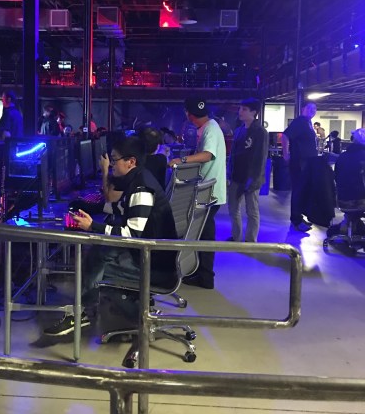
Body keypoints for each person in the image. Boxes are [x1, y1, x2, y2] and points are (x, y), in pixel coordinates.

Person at [43, 135, 177, 336]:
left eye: (114, 160)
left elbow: (131, 234)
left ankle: (83, 314)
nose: (111, 164)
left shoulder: (141, 188)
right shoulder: (139, 178)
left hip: (154, 266)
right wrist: (90, 206)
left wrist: (92, 226)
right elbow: (122, 208)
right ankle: (85, 310)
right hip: (153, 254)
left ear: (130, 161)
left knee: (97, 261)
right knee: (100, 252)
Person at [169, 97, 227, 289]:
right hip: (208, 190)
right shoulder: (209, 127)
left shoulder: (210, 129)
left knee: (205, 234)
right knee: (203, 232)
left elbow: (207, 154)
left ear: (188, 114)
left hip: (210, 191)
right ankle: (201, 273)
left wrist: (181, 160)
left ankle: (206, 277)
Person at [227, 98, 269, 242]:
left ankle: (251, 241)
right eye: (240, 109)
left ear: (254, 112)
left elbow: (261, 157)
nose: (240, 112)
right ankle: (236, 237)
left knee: (252, 211)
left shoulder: (260, 132)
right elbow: (233, 154)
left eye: (244, 109)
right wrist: (229, 172)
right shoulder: (239, 130)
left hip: (251, 178)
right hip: (236, 176)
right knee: (233, 209)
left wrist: (254, 179)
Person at [281, 101, 318, 231]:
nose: (313, 110)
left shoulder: (308, 123)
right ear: (303, 109)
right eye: (310, 108)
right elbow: (285, 136)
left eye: (315, 108)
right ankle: (296, 219)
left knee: (303, 190)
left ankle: (299, 217)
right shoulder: (300, 121)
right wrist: (286, 154)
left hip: (306, 162)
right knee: (298, 190)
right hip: (299, 162)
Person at [328, 128, 365, 236]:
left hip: (343, 200)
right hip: (361, 201)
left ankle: (349, 224)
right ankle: (354, 226)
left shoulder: (343, 156)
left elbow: (337, 177)